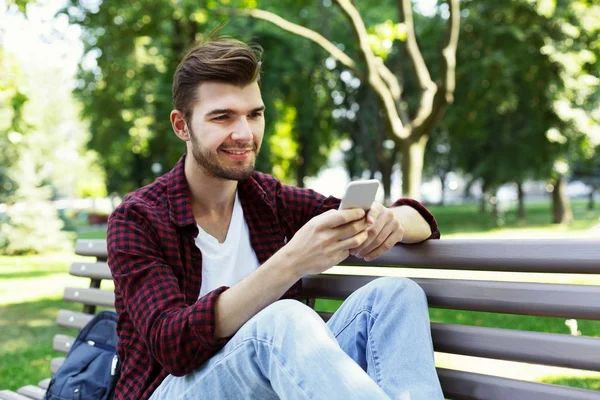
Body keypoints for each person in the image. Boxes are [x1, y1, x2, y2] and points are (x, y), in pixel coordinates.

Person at [107, 37, 443, 400]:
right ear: (181, 125)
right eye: (223, 117)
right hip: (168, 391)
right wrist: (291, 262)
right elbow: (172, 345)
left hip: (266, 385)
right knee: (283, 319)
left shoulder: (265, 198)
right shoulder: (138, 219)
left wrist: (392, 219)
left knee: (395, 295)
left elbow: (420, 222)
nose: (244, 133)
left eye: (254, 114)